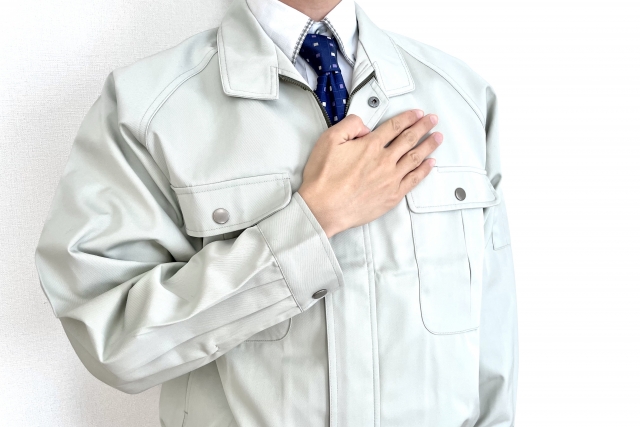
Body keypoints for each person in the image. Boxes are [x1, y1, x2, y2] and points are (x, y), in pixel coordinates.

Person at [34, 0, 518, 425]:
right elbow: (113, 341)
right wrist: (313, 222)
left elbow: (492, 347)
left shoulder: (463, 98)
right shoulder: (145, 109)